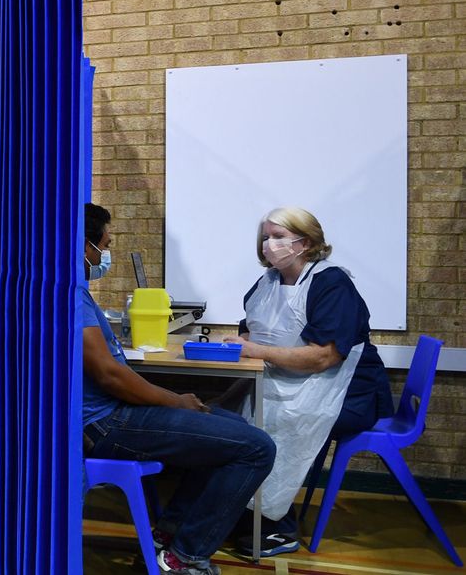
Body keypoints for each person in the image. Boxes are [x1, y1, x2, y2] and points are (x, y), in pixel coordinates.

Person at [81, 203, 276, 575]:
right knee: (257, 448)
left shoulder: (79, 292)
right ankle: (183, 558)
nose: (106, 255)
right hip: (106, 423)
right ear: (82, 244)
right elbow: (109, 376)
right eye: (103, 246)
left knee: (234, 433)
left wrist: (178, 403)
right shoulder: (72, 296)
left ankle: (166, 540)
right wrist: (176, 401)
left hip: (116, 413)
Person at [221, 206, 393, 556]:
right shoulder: (268, 282)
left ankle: (275, 527)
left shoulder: (331, 284)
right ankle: (240, 510)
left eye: (279, 237)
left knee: (266, 427)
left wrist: (254, 348)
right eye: (266, 237)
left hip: (347, 394)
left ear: (306, 242)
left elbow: (323, 356)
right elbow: (251, 325)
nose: (270, 244)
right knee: (226, 414)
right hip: (287, 382)